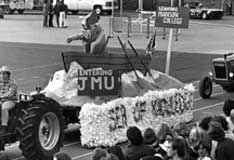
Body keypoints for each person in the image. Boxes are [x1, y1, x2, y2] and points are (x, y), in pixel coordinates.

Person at [0, 66, 17, 134]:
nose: (3, 75)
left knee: (4, 108)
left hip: (10, 100)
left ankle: (4, 126)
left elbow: (10, 93)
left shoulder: (13, 83)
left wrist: (2, 97)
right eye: (1, 74)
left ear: (8, 75)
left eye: (4, 74)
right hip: (1, 99)